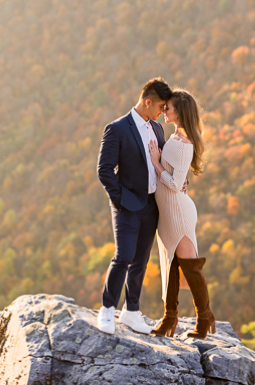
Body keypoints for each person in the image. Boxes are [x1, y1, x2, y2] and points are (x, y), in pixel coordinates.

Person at [96, 77, 173, 335]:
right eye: (161, 106)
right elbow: (104, 170)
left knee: (141, 260)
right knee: (124, 256)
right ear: (147, 101)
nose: (163, 112)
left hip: (151, 205)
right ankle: (107, 309)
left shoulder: (157, 129)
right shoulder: (117, 128)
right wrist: (121, 199)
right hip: (127, 204)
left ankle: (131, 312)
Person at [147, 89, 216, 339]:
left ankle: (204, 317)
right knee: (171, 263)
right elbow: (178, 175)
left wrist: (156, 163)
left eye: (169, 107)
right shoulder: (175, 136)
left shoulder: (185, 143)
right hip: (167, 211)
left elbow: (175, 184)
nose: (164, 110)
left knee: (189, 267)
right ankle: (169, 319)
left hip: (179, 211)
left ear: (180, 111)